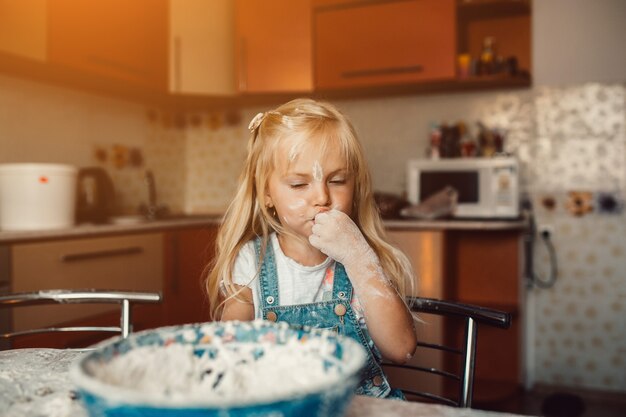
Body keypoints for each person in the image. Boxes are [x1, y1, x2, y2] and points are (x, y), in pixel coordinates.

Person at [205, 98, 417, 399]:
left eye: (338, 180)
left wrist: (358, 257)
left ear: (355, 187)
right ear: (267, 193)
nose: (322, 197)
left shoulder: (363, 258)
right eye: (298, 184)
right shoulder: (252, 261)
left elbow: (401, 349)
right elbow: (229, 349)